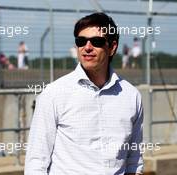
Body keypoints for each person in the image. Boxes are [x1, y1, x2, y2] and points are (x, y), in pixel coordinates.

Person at [25, 13, 144, 175]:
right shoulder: (53, 94)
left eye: (96, 41)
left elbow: (134, 160)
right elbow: (36, 161)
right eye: (81, 41)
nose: (87, 47)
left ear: (112, 47)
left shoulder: (131, 96)